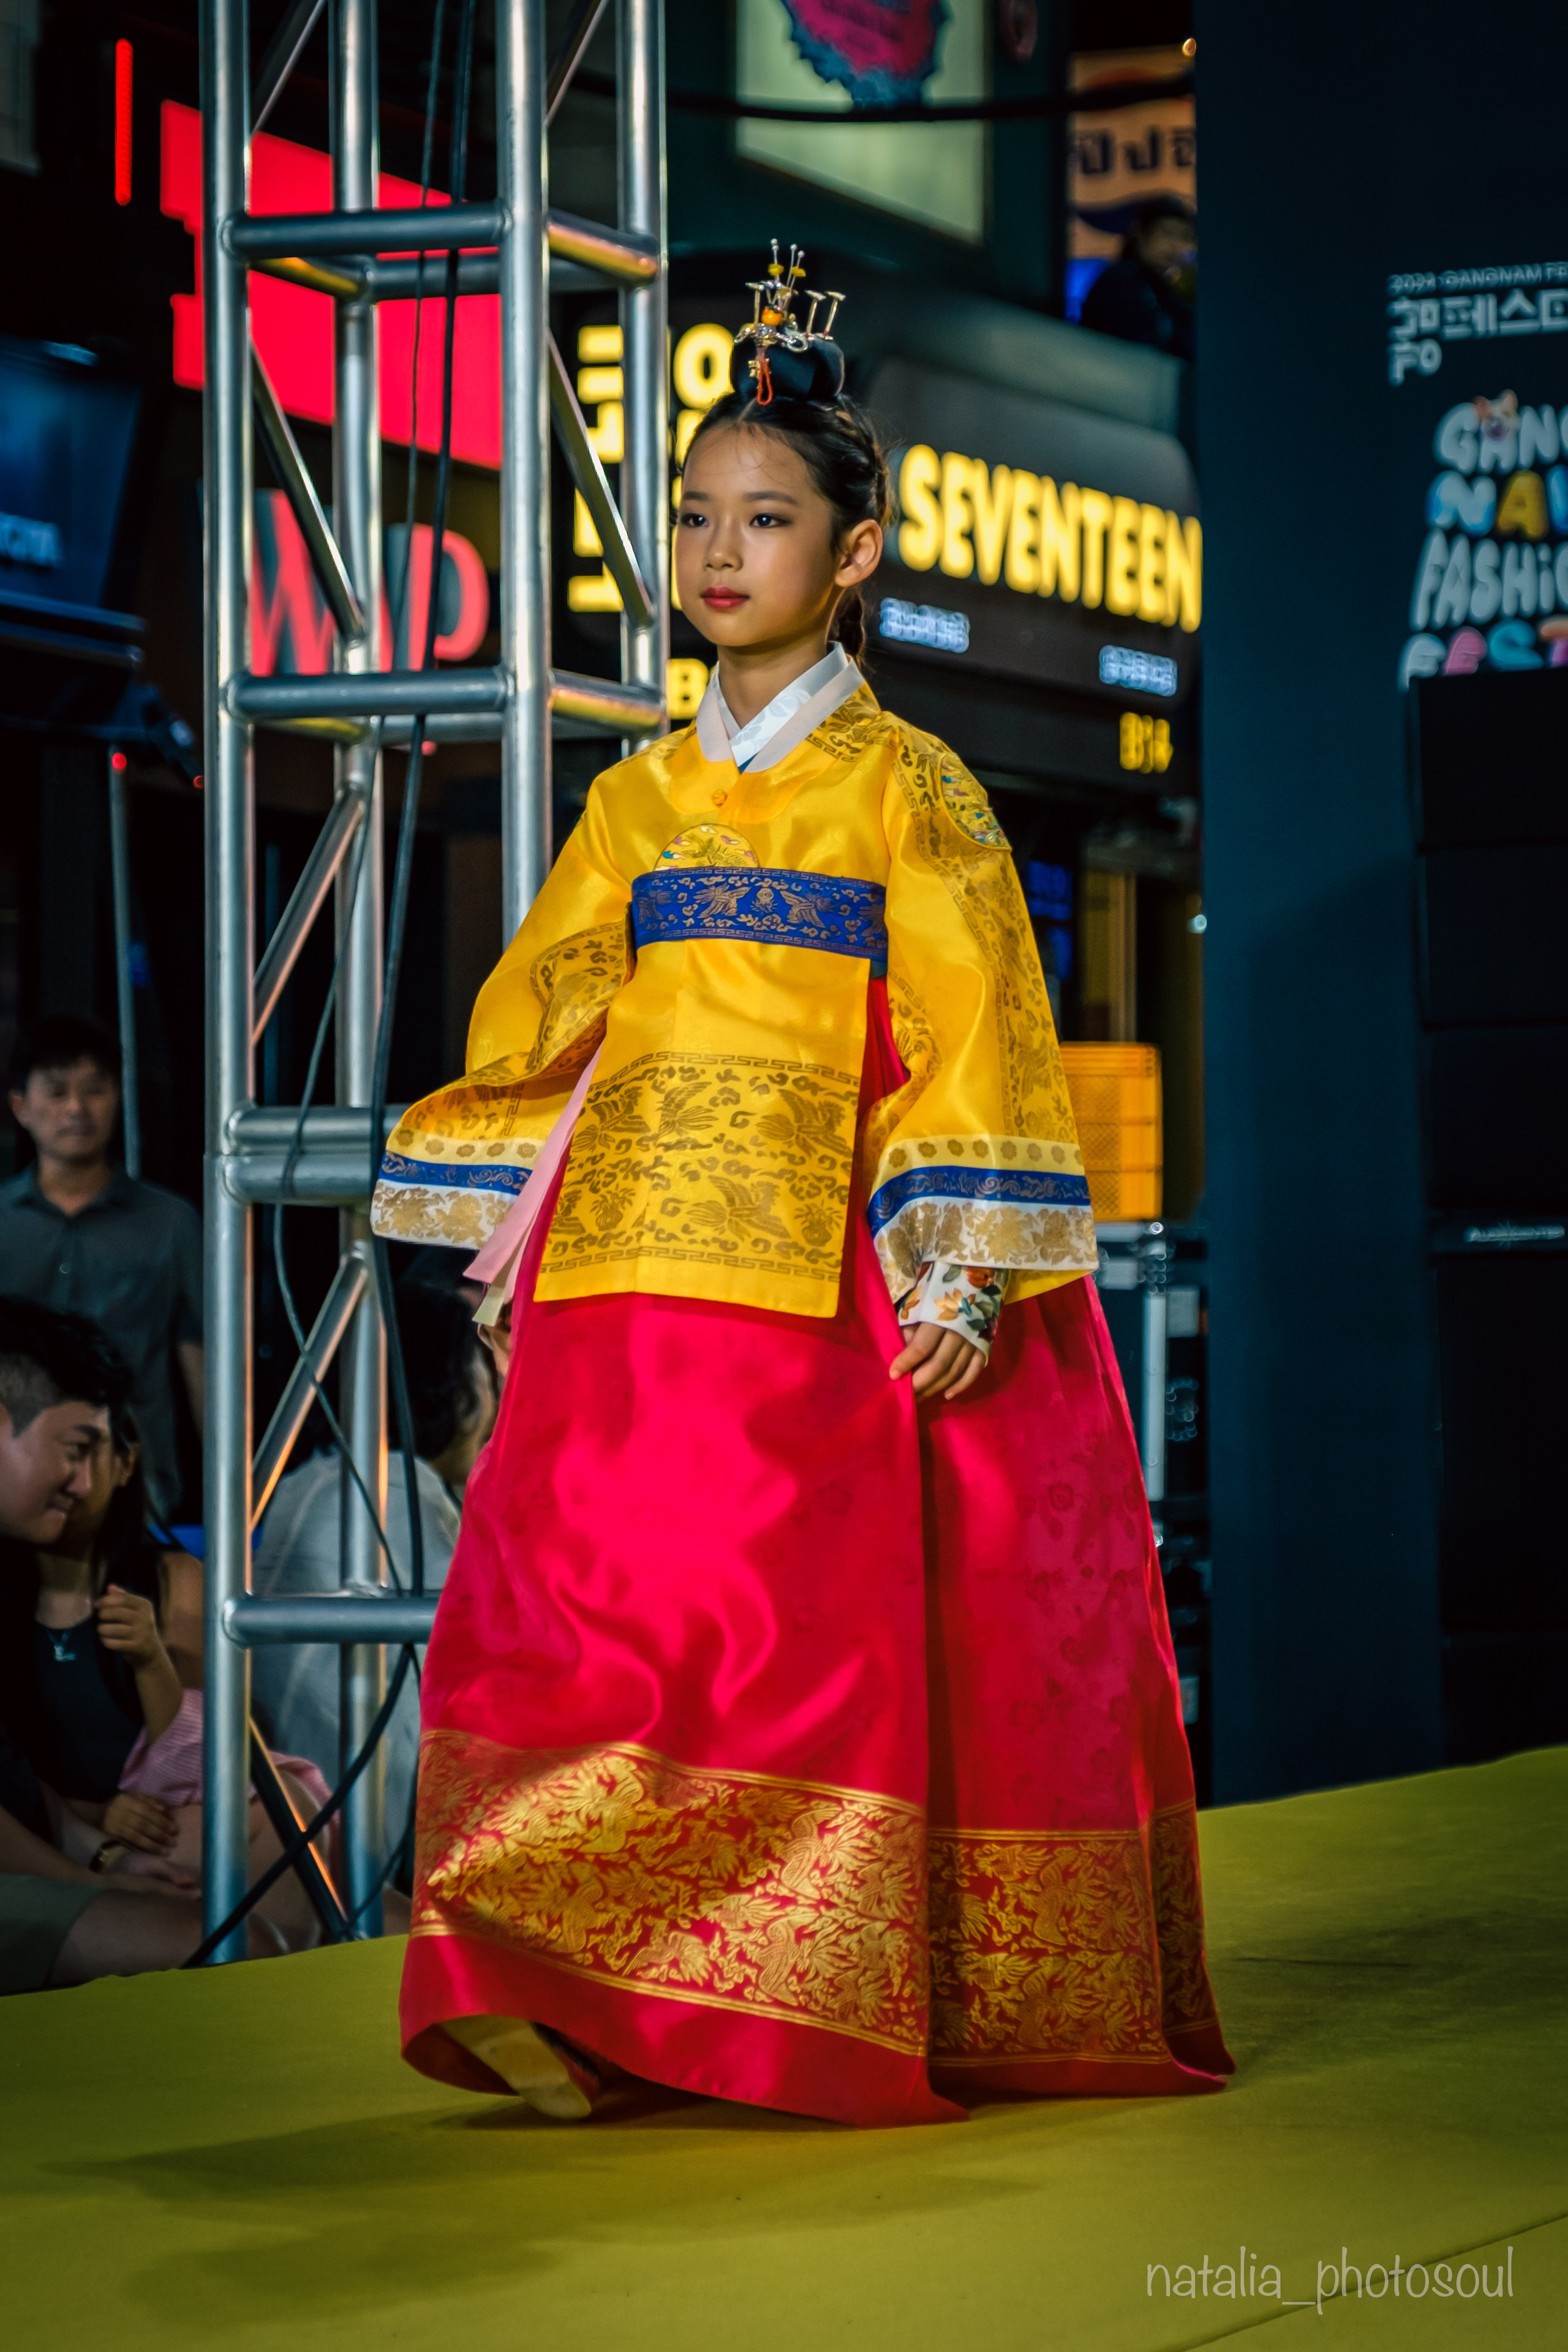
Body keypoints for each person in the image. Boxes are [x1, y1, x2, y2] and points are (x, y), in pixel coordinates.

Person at [372, 254, 1231, 2126]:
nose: (716, 548)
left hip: (815, 1287)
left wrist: (957, 1273)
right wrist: (499, 1225)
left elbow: (976, 1024)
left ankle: (776, 1995)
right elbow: (549, 1015)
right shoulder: (635, 800)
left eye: (764, 518)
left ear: (854, 556)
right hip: (625, 1284)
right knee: (572, 1626)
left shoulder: (907, 788)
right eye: (695, 513)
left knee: (776, 1649)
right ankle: (566, 1979)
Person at [0, 1297, 270, 1989]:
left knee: (259, 1843)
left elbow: (210, 1764)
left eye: (102, 1454)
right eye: (75, 1450)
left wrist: (101, 1855)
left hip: (117, 1836)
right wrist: (100, 1862)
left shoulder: (168, 1581)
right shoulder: (17, 1589)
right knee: (231, 1938)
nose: (86, 1482)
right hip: (69, 1854)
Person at [251, 1277, 498, 1872]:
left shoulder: (308, 1481)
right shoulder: (405, 1501)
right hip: (343, 1847)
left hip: (287, 1811)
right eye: (488, 1372)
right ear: (458, 1386)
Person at [1, 1015, 204, 1521]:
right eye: (57, 1092)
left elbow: (202, 1358)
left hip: (137, 1483)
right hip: (12, 1483)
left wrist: (240, 1490)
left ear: (118, 1097)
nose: (77, 1108)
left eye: (95, 1089)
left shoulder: (169, 1222)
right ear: (21, 1106)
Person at [1080, 195, 1196, 361]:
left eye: (1183, 236)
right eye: (1166, 233)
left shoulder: (1163, 288)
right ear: (1141, 233)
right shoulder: (1119, 283)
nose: (1175, 245)